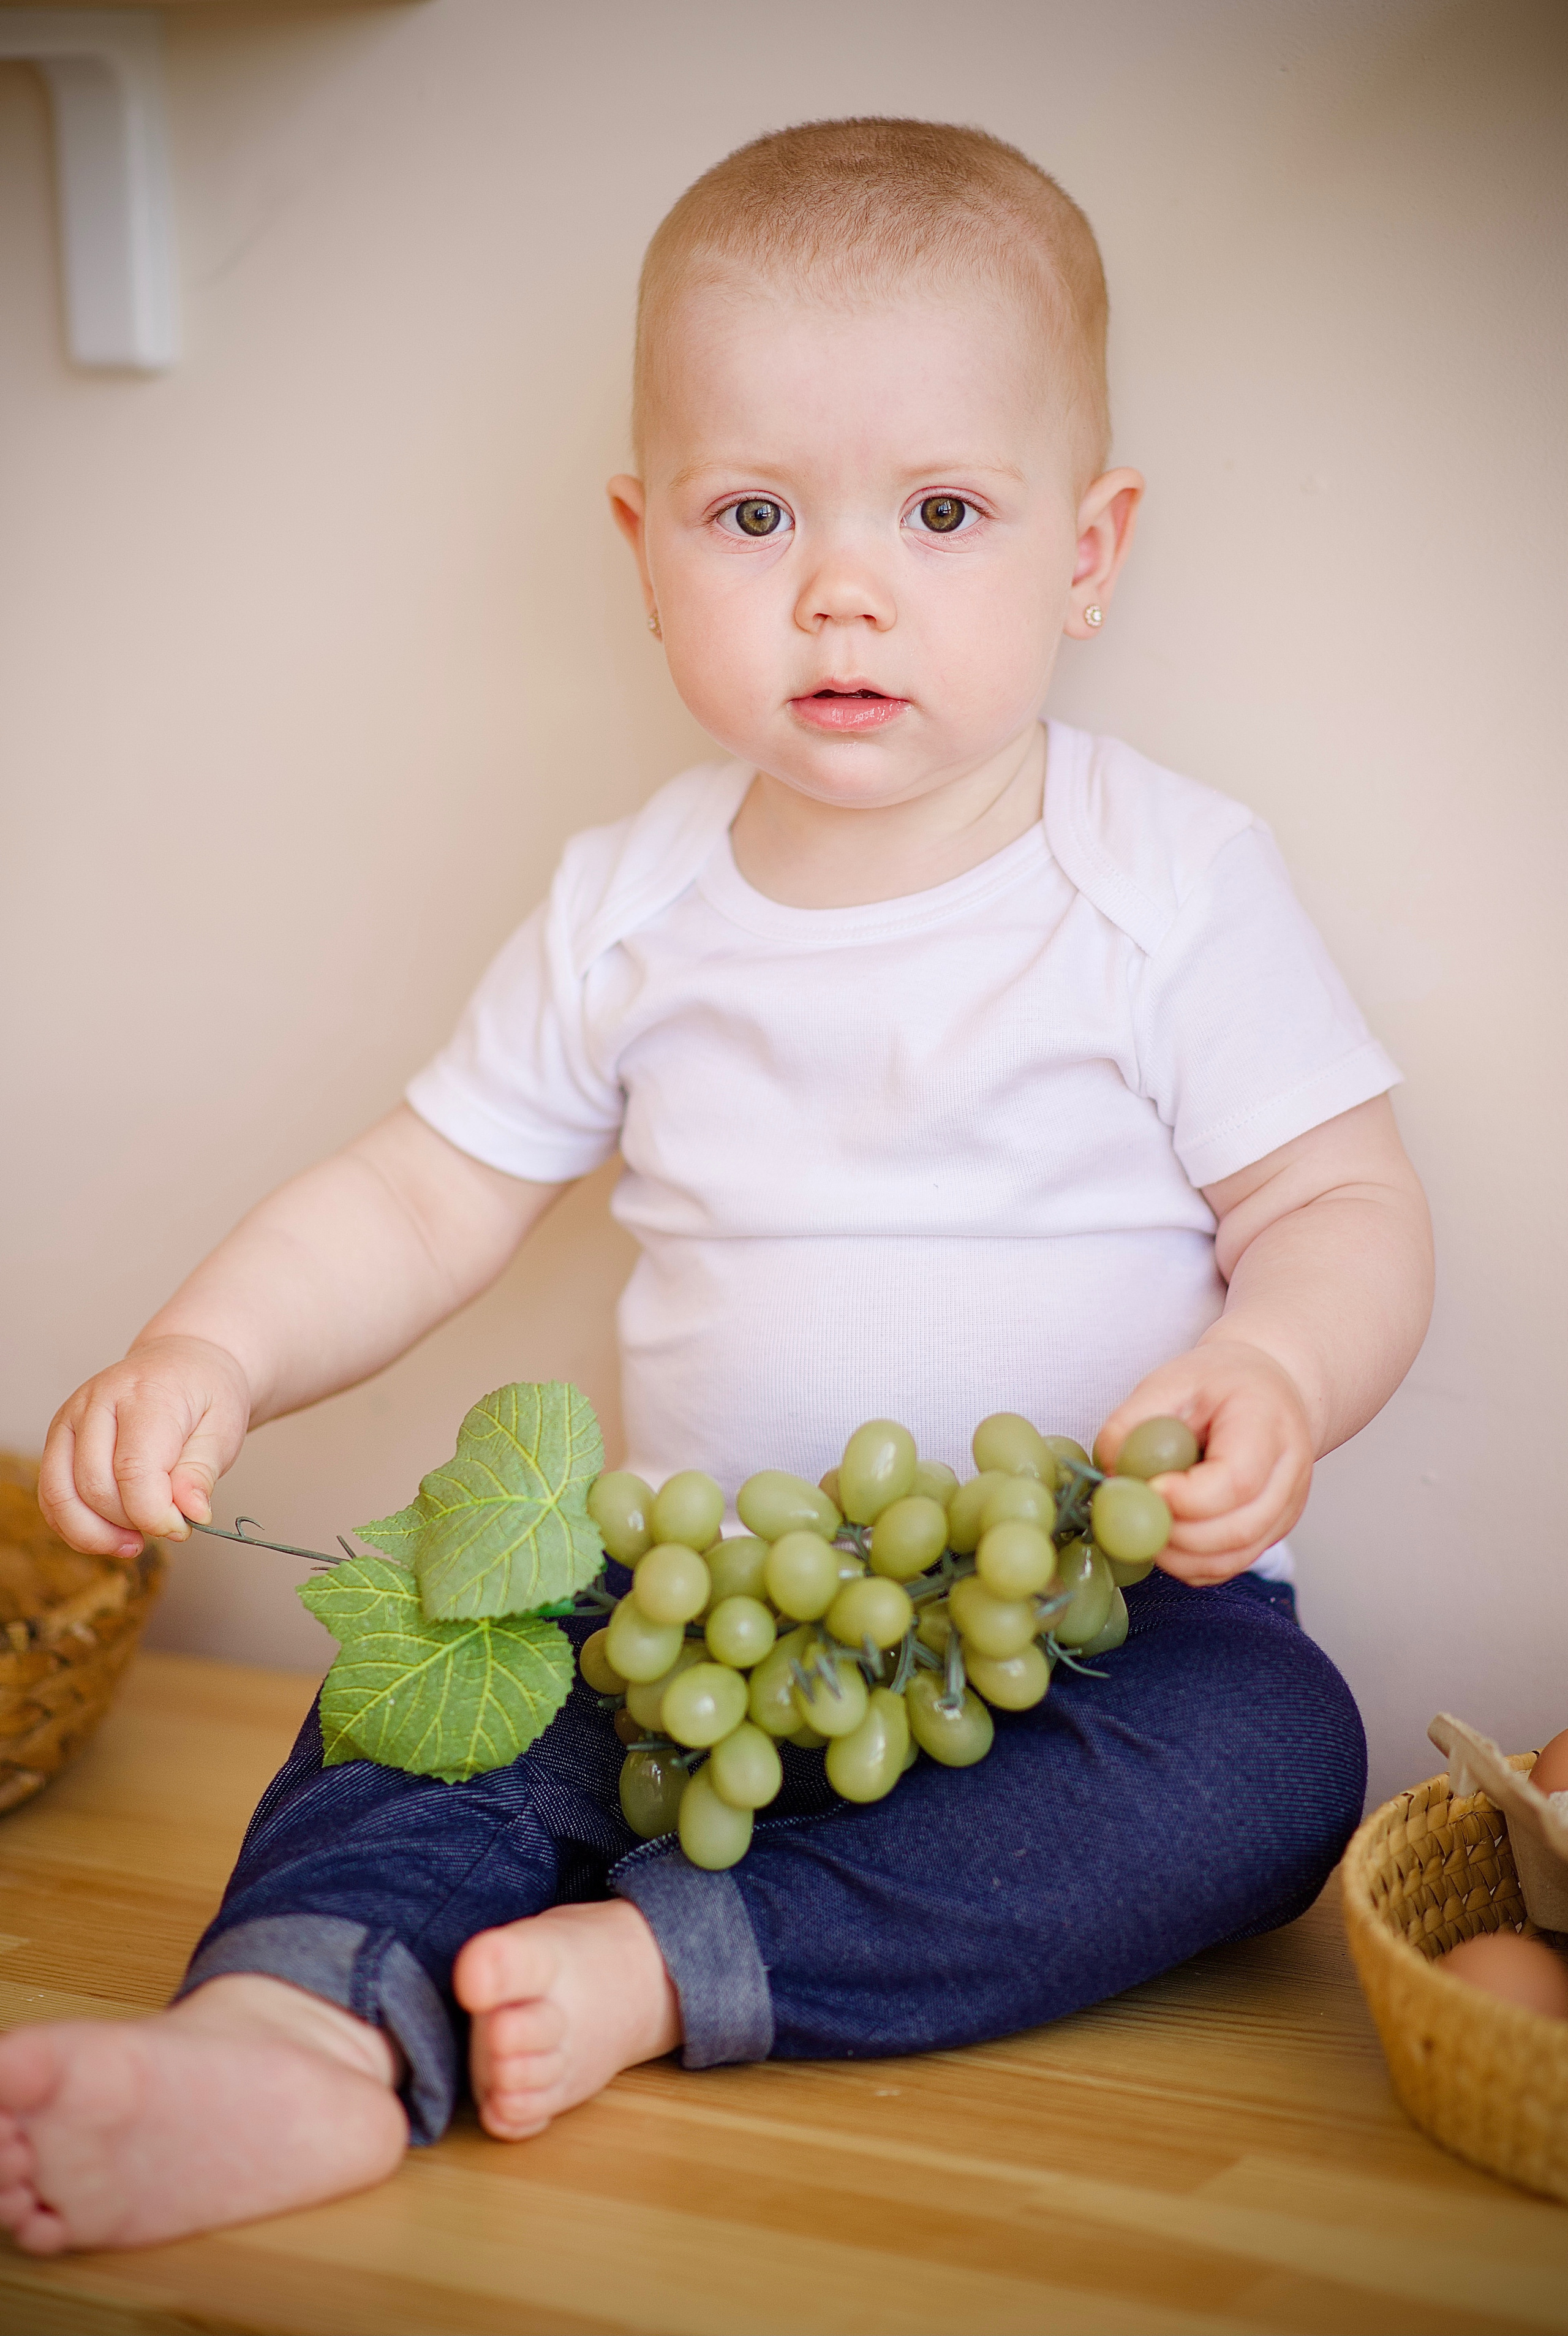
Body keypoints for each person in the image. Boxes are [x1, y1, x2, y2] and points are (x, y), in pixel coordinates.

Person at [0, 118, 1433, 2255]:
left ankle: (676, 1963)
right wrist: (212, 1345)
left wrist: (1280, 1367)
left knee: (1280, 1760)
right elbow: (422, 1192)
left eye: (942, 511)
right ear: (643, 545)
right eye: (755, 513)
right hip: (683, 1615)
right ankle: (298, 2032)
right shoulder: (634, 902)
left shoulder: (1163, 884)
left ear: (1090, 548)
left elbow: (1343, 1203)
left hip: (1104, 1633)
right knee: (436, 1673)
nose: (842, 586)